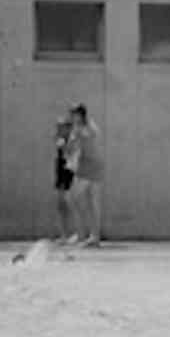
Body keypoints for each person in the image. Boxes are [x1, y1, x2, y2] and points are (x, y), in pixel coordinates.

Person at [68, 103, 105, 247]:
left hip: (91, 165)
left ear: (80, 114)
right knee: (88, 202)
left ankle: (85, 235)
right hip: (88, 164)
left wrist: (77, 136)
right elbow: (73, 146)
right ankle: (91, 237)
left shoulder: (87, 126)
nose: (72, 116)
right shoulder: (80, 128)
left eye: (74, 113)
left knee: (77, 198)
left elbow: (90, 137)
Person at [51, 117, 77, 243]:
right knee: (60, 204)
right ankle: (63, 234)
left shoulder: (73, 140)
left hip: (69, 172)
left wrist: (65, 145)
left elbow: (71, 155)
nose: (59, 130)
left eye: (62, 127)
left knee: (69, 202)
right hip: (61, 171)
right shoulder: (60, 140)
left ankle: (75, 233)